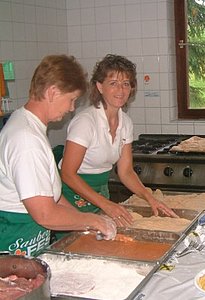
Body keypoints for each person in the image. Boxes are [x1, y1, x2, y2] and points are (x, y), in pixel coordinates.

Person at [0, 55, 117, 257]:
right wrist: (93, 220)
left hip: (29, 240)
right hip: (13, 242)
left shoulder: (30, 126)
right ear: (53, 92)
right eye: (71, 100)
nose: (71, 108)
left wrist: (81, 219)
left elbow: (52, 195)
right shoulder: (26, 140)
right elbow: (45, 213)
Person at [59, 54, 177, 231]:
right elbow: (68, 174)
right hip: (72, 196)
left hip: (100, 193)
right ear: (100, 86)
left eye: (126, 83)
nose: (120, 90)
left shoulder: (125, 123)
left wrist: (149, 197)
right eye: (113, 83)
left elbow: (126, 171)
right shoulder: (86, 122)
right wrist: (106, 205)